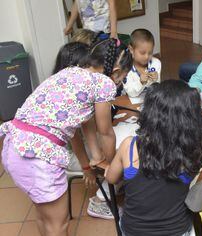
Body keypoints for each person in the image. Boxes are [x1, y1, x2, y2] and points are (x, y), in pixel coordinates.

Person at [0, 38, 132, 236]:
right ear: (116, 72)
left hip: (14, 146)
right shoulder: (104, 83)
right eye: (123, 77)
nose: (121, 82)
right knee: (59, 224)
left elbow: (83, 124)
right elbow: (105, 132)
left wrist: (94, 160)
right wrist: (114, 164)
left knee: (44, 215)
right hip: (39, 157)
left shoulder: (70, 72)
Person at [105, 80, 202, 236]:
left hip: (133, 231)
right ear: (192, 118)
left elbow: (111, 179)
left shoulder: (129, 146)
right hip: (177, 230)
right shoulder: (195, 150)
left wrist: (110, 168)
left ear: (150, 113)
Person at [122, 28, 161, 97]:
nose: (146, 57)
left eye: (150, 53)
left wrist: (156, 80)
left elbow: (156, 90)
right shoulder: (125, 67)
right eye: (142, 53)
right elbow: (131, 94)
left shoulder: (156, 63)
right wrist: (141, 82)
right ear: (131, 50)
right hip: (128, 102)